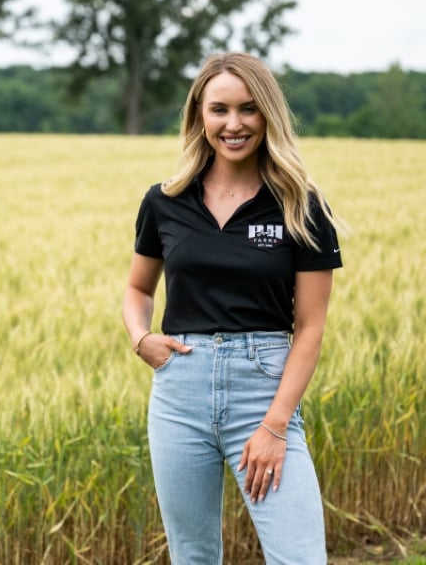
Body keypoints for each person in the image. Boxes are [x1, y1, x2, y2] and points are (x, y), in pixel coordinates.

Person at [122, 52, 343, 564]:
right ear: (199, 114)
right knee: (193, 556)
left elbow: (310, 328)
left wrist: (274, 426)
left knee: (300, 558)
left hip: (263, 391)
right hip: (179, 393)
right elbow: (138, 289)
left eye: (248, 109)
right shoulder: (164, 201)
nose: (234, 124)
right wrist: (140, 337)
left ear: (268, 114)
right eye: (219, 109)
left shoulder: (300, 205)